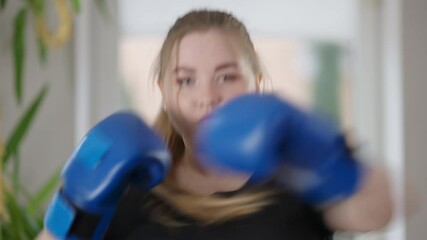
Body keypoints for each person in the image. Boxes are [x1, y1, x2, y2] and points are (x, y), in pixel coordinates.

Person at [37, 9, 392, 240]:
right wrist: (77, 199)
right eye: (186, 80)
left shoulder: (292, 172)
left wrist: (321, 153)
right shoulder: (132, 182)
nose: (206, 97)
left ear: (258, 83)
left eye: (226, 77)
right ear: (164, 90)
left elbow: (378, 212)